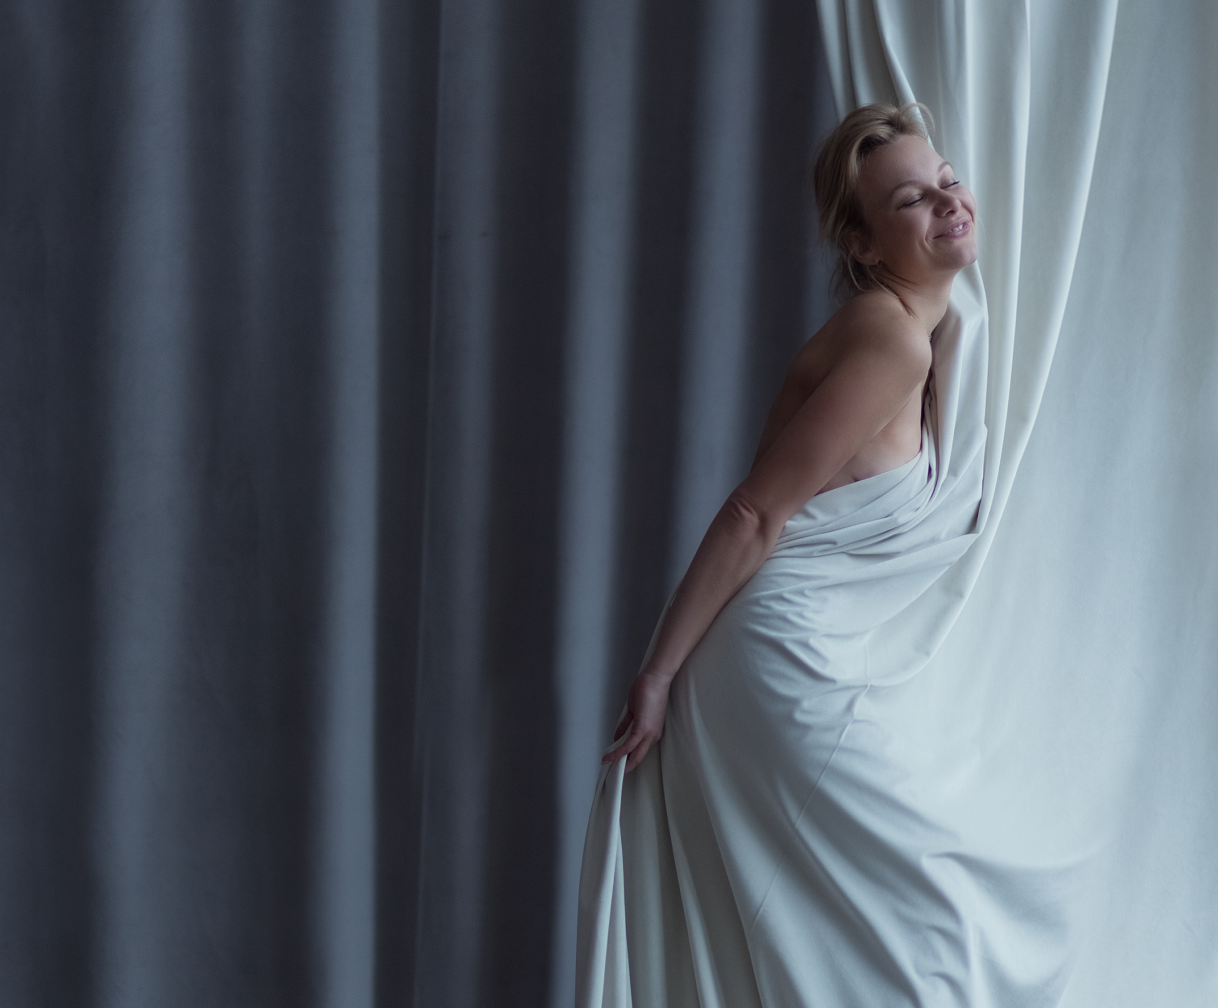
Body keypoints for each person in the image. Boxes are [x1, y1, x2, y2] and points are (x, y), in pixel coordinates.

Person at [576, 103, 1044, 1008]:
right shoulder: (892, 338)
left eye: (949, 181)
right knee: (930, 924)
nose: (949, 202)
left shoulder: (928, 335)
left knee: (841, 944)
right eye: (912, 200)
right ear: (862, 243)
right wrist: (657, 676)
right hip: (784, 658)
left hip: (804, 653)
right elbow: (756, 511)